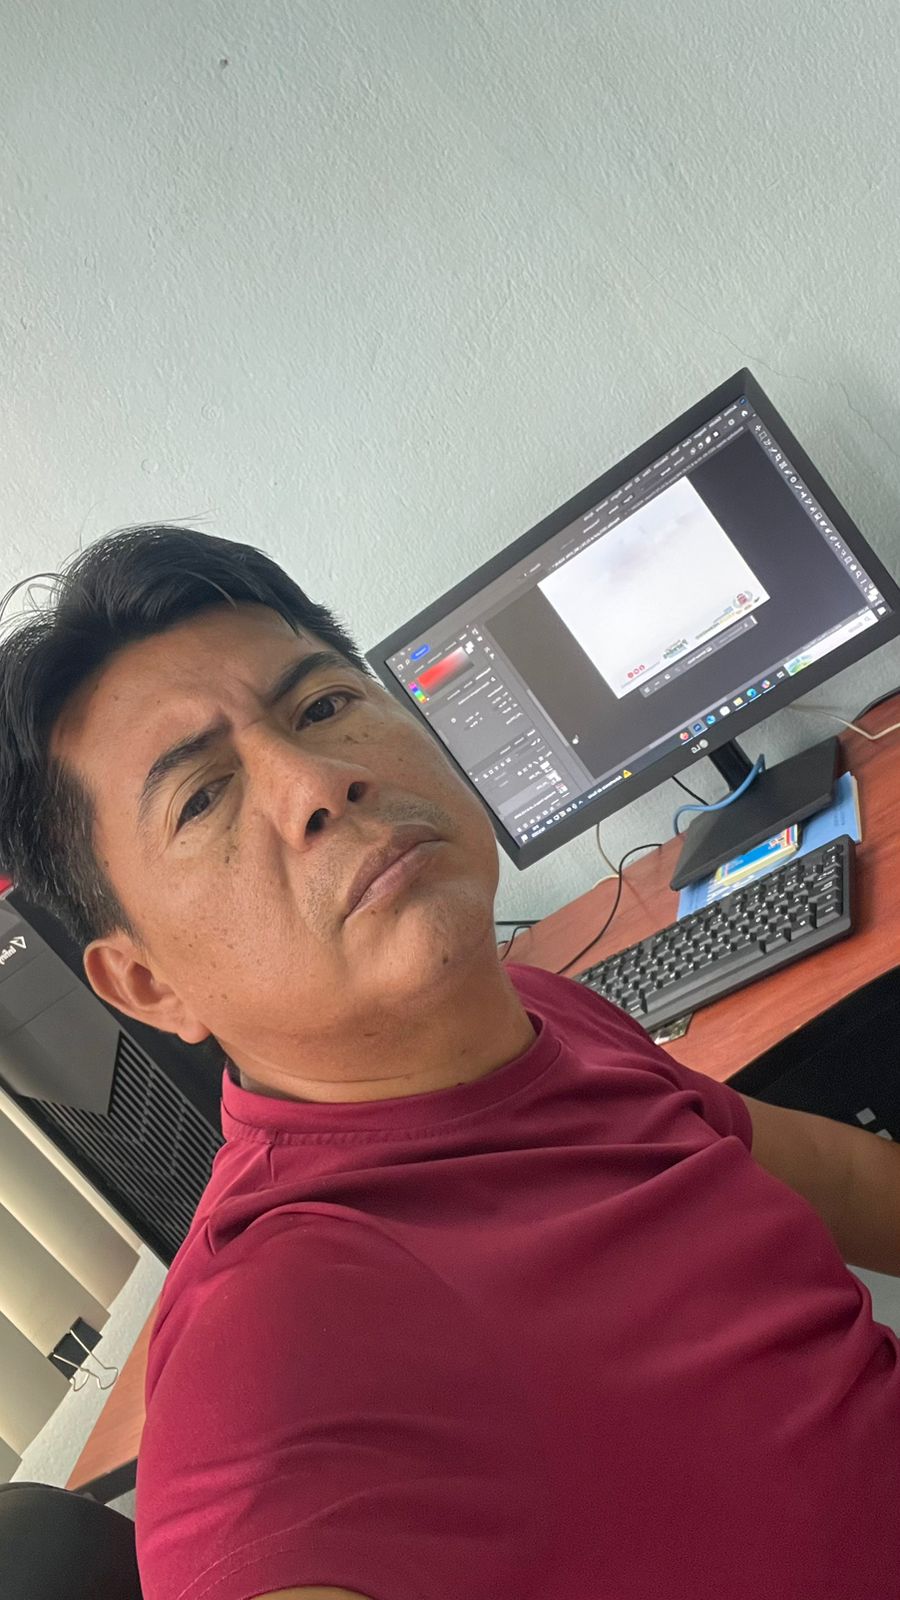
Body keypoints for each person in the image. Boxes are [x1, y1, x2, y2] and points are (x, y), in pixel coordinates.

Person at [0, 525, 898, 1600]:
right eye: (201, 797)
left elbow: (843, 1180)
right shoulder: (276, 1339)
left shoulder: (539, 1009)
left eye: (322, 706)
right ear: (149, 984)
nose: (319, 781)